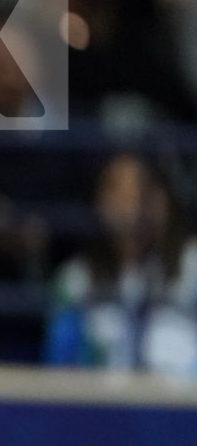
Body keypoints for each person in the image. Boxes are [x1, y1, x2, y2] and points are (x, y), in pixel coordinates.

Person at [47, 152, 197, 374]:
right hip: (103, 403)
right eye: (118, 193)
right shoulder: (76, 279)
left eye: (144, 192)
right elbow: (60, 367)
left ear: (165, 199)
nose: (132, 207)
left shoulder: (191, 264)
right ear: (98, 201)